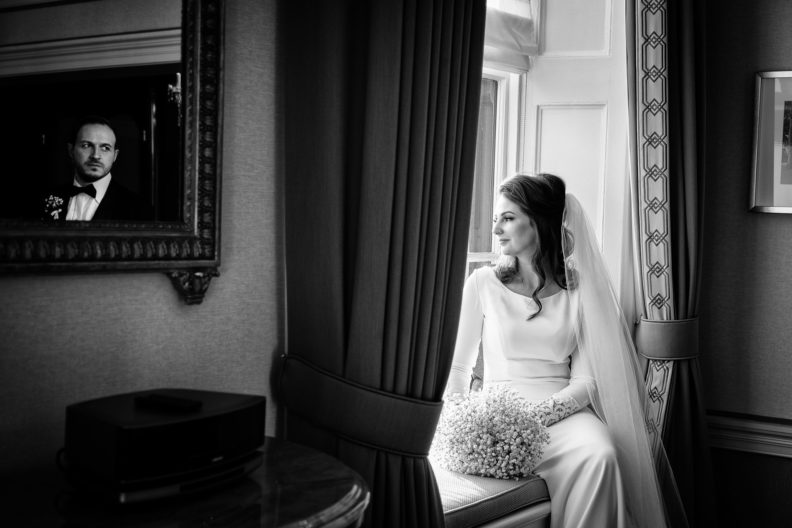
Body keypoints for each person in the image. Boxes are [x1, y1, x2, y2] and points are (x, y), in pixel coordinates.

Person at [445, 174, 686, 528]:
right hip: (498, 413)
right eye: (497, 217)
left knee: (600, 455)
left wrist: (539, 416)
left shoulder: (580, 288)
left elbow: (587, 379)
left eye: (508, 218)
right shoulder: (483, 283)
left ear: (540, 223)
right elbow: (459, 367)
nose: (495, 228)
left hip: (563, 413)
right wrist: (456, 423)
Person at [41, 115, 152, 222]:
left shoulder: (139, 209)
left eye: (105, 148)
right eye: (86, 145)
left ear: (115, 155)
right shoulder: (41, 201)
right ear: (71, 150)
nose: (95, 155)